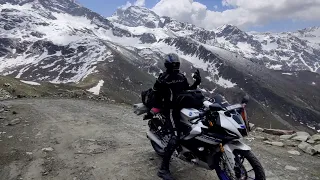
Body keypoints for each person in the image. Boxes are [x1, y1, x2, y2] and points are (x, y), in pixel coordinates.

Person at [151, 53, 201, 180]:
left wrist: (197, 82)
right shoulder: (167, 78)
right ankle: (163, 169)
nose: (175, 65)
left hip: (181, 107)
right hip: (171, 110)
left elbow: (187, 90)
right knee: (174, 136)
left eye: (176, 63)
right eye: (174, 63)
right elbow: (156, 94)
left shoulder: (171, 77)